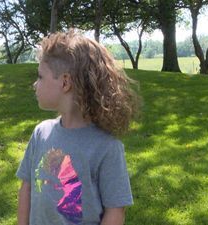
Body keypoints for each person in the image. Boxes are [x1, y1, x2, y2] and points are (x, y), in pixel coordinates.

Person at [16, 30, 140, 225]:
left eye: (40, 77)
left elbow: (115, 212)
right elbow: (27, 188)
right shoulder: (41, 133)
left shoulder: (107, 146)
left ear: (65, 82)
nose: (35, 84)